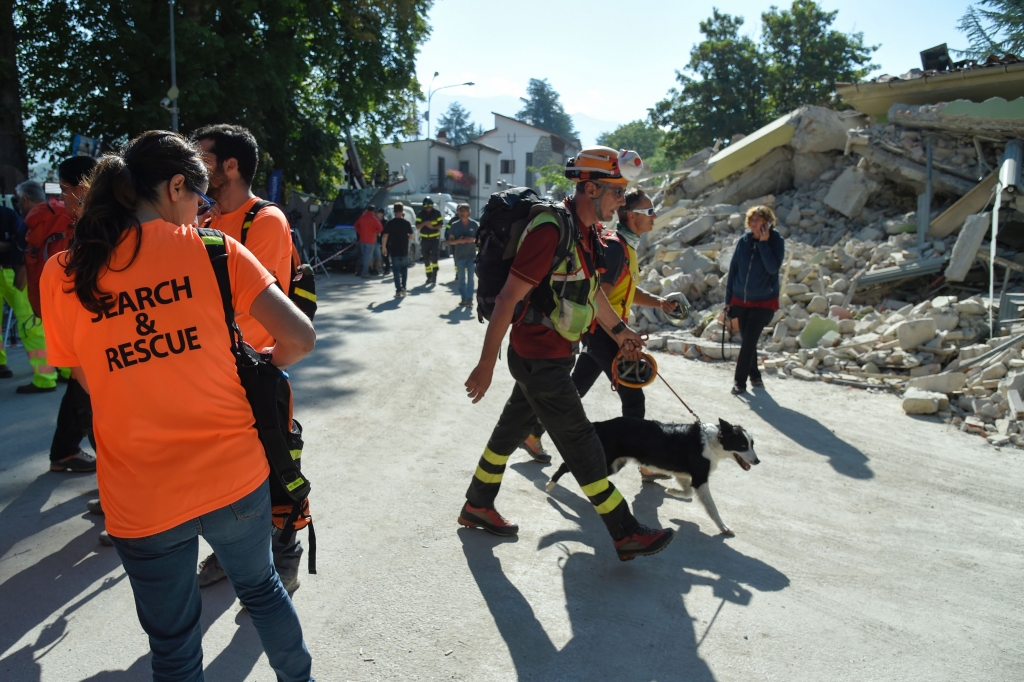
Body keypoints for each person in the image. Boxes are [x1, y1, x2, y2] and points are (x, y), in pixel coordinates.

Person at [40, 130, 316, 682]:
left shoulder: (64, 272)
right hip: (232, 472)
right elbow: (300, 339)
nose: (200, 210)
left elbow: (88, 380)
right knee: (261, 589)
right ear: (173, 187)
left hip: (140, 491)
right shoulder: (215, 252)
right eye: (198, 197)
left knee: (172, 642)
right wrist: (256, 363)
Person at [459, 146, 675, 562]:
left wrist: (620, 330)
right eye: (615, 191)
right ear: (590, 188)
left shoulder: (588, 232)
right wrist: (486, 364)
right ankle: (625, 530)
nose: (620, 200)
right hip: (539, 357)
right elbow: (507, 299)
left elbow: (591, 292)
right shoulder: (551, 230)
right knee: (582, 444)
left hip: (554, 354)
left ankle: (477, 504)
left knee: (508, 433)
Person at [190, 123, 307, 594]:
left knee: (276, 469)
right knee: (224, 475)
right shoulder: (206, 219)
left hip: (255, 369)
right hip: (214, 370)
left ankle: (286, 561)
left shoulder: (265, 220)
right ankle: (230, 552)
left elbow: (245, 301)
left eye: (203, 157)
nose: (195, 167)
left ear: (230, 165)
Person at [520, 188, 680, 483]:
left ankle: (532, 432)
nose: (654, 216)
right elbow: (598, 296)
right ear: (631, 216)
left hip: (604, 333)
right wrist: (621, 335)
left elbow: (623, 290)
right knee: (634, 398)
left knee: (576, 386)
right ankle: (646, 463)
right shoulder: (618, 247)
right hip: (606, 332)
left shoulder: (624, 247)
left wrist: (658, 302)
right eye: (649, 211)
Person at [39, 158, 99, 475]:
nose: (62, 200)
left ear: (81, 189)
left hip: (91, 338)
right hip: (91, 339)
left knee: (86, 399)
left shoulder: (93, 227)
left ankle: (65, 452)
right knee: (85, 401)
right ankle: (66, 453)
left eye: (64, 191)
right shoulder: (99, 224)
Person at [724, 205, 784, 395]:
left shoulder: (776, 241)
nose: (753, 223)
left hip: (764, 300)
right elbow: (733, 270)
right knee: (748, 339)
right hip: (741, 299)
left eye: (758, 220)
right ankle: (755, 376)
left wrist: (764, 243)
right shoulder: (743, 241)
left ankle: (739, 382)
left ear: (768, 222)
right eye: (751, 220)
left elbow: (773, 268)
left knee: (748, 341)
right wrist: (728, 300)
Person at [2, 194, 57, 392]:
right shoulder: (55, 213)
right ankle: (67, 372)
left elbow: (25, 250)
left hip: (16, 274)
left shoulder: (31, 218)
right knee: (48, 325)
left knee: (30, 326)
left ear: (24, 199)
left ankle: (45, 377)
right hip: (33, 274)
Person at [446, 203, 478, 308]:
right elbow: (450, 241)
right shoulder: (454, 225)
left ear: (469, 212)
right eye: (460, 211)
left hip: (471, 256)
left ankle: (469, 299)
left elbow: (480, 239)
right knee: (461, 279)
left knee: (470, 279)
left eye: (464, 211)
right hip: (459, 256)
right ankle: (463, 298)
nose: (462, 213)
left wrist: (471, 239)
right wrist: (459, 241)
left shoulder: (474, 225)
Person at [381, 202, 414, 298]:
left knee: (395, 270)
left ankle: (398, 290)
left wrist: (384, 247)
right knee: (404, 270)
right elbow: (411, 237)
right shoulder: (406, 223)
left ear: (394, 211)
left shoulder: (390, 223)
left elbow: (385, 236)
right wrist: (406, 236)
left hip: (394, 250)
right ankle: (404, 288)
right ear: (402, 211)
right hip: (404, 250)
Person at [416, 197, 443, 285]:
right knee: (426, 259)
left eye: (429, 207)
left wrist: (432, 227)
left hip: (434, 239)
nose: (428, 209)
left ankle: (434, 276)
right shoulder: (420, 214)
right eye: (426, 207)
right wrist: (424, 223)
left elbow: (440, 225)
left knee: (434, 258)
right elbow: (417, 226)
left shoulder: (436, 213)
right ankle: (429, 276)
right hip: (424, 240)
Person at [354, 204, 382, 278]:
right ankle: (365, 272)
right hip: (370, 240)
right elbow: (380, 228)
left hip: (362, 239)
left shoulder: (362, 217)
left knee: (364, 256)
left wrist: (360, 232)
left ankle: (363, 271)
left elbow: (355, 225)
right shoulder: (374, 218)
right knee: (368, 257)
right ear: (374, 211)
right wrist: (375, 233)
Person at [374, 207, 389, 276]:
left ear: (382, 214)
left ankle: (387, 268)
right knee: (378, 255)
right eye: (377, 213)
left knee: (385, 255)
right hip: (377, 239)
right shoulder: (376, 220)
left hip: (385, 240)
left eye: (379, 213)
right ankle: (378, 268)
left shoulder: (385, 221)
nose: (377, 214)